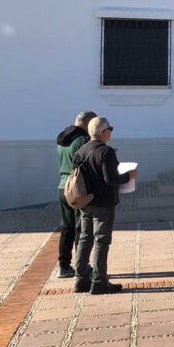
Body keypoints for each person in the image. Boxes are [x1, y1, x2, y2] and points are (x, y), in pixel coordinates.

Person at [72, 116, 137, 295]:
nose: (111, 133)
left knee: (85, 238)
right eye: (110, 129)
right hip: (103, 203)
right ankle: (99, 281)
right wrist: (129, 176)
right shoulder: (106, 152)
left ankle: (81, 279)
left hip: (86, 201)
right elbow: (111, 179)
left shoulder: (81, 150)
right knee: (101, 240)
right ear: (103, 132)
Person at [55, 110, 96, 279]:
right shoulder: (82, 140)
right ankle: (82, 266)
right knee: (82, 227)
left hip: (63, 185)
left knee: (67, 227)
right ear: (88, 124)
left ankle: (63, 265)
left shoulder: (62, 139)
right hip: (78, 187)